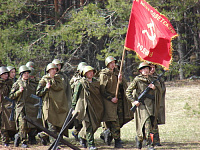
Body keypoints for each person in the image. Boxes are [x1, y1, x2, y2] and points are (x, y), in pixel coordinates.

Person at [99, 56, 134, 148]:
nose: (113, 64)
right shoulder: (104, 75)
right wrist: (111, 98)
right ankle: (117, 141)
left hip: (119, 100)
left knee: (120, 119)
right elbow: (102, 90)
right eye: (111, 63)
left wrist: (121, 81)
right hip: (109, 101)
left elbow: (123, 86)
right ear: (107, 64)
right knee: (114, 120)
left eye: (114, 62)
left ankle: (107, 133)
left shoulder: (117, 73)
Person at [126, 62, 162, 150]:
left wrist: (155, 88)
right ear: (140, 71)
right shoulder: (137, 80)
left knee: (152, 126)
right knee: (147, 124)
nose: (145, 71)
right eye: (143, 69)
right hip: (142, 106)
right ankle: (148, 144)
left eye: (147, 69)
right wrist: (134, 101)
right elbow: (128, 91)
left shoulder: (153, 80)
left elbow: (160, 91)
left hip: (151, 105)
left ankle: (142, 140)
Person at [36, 63, 70, 145]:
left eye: (55, 69)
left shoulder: (59, 79)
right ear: (48, 70)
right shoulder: (44, 80)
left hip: (59, 106)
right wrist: (46, 88)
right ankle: (54, 144)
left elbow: (63, 90)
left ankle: (43, 135)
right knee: (52, 126)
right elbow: (38, 93)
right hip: (49, 106)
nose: (54, 71)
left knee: (59, 125)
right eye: (53, 69)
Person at [72, 66, 104, 150]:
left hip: (95, 107)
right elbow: (75, 95)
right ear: (85, 73)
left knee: (95, 124)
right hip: (85, 107)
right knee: (88, 124)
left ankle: (81, 135)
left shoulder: (96, 83)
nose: (91, 73)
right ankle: (91, 145)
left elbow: (101, 93)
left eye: (92, 71)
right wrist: (73, 107)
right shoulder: (81, 83)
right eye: (88, 72)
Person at [9, 65, 38, 148]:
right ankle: (23, 141)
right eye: (25, 73)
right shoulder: (17, 84)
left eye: (28, 73)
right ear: (21, 74)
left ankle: (18, 136)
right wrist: (19, 91)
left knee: (30, 125)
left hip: (30, 108)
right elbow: (11, 96)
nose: (27, 75)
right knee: (22, 125)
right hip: (20, 107)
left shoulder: (31, 83)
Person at [148, 62, 166, 146]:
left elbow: (162, 89)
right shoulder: (143, 78)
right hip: (147, 104)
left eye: (154, 67)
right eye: (150, 68)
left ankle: (156, 140)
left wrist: (156, 89)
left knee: (154, 121)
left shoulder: (158, 78)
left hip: (156, 102)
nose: (152, 69)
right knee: (148, 122)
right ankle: (145, 139)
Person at [70, 62, 87, 141]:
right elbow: (72, 90)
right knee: (78, 122)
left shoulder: (87, 79)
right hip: (77, 102)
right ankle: (77, 133)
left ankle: (80, 135)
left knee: (85, 121)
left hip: (85, 101)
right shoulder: (75, 79)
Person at [0, 67, 16, 146]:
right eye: (4, 74)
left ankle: (6, 140)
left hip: (6, 106)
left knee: (5, 124)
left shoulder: (10, 83)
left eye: (7, 74)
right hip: (1, 105)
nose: (6, 76)